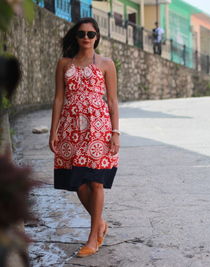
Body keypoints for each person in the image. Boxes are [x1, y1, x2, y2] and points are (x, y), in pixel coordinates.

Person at [49, 17, 120, 257]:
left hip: (98, 126)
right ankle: (100, 223)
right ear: (76, 37)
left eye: (91, 34)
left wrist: (115, 132)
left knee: (96, 181)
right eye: (82, 34)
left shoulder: (106, 63)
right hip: (71, 127)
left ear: (97, 37)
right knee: (77, 182)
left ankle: (92, 238)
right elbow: (59, 98)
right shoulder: (64, 63)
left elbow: (112, 101)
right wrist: (54, 131)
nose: (86, 38)